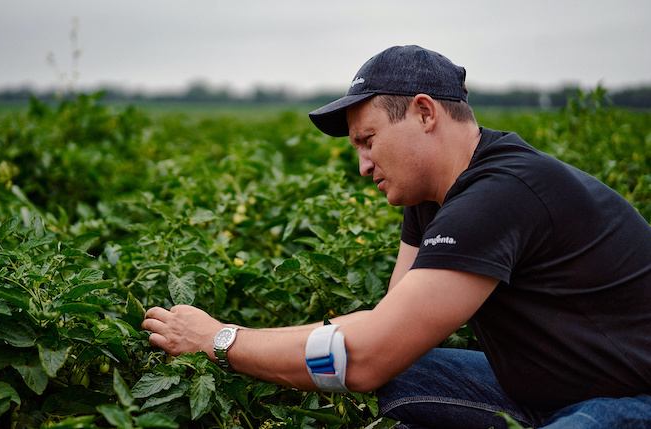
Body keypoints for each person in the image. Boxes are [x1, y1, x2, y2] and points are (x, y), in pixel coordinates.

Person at [142, 45, 651, 428]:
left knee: (367, 363)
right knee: (394, 363)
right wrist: (240, 340)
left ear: (425, 113)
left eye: (367, 141)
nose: (363, 166)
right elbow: (382, 329)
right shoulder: (432, 195)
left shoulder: (499, 194)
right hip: (539, 389)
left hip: (628, 398)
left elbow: (364, 358)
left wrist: (220, 340)